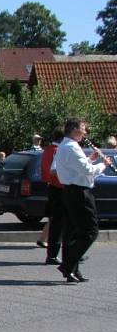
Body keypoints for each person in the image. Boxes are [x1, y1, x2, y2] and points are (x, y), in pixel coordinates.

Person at [53, 118, 112, 282]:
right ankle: (68, 264)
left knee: (73, 232)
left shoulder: (64, 146)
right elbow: (87, 171)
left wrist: (91, 159)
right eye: (83, 129)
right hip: (79, 193)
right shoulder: (72, 147)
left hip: (70, 191)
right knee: (90, 231)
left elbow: (75, 168)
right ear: (74, 130)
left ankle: (71, 270)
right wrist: (103, 165)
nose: (85, 132)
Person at [41, 127, 68, 265]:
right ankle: (54, 254)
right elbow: (54, 171)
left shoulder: (48, 149)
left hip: (52, 187)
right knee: (59, 224)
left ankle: (55, 254)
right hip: (59, 188)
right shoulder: (58, 151)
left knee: (57, 223)